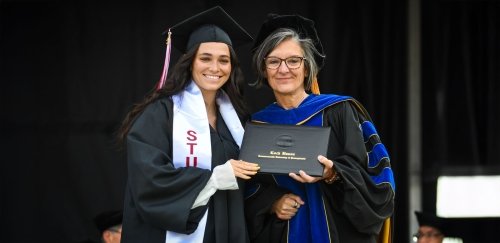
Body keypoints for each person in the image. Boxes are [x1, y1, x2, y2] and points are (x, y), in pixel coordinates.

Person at [244, 13, 396, 243]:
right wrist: (273, 202)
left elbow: (374, 176)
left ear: (307, 68)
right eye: (274, 61)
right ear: (264, 69)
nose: (283, 69)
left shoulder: (339, 111)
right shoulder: (256, 125)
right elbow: (247, 188)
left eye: (294, 60)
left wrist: (334, 173)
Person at [117, 6, 259, 243]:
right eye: (205, 58)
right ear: (190, 62)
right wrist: (214, 178)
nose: (215, 68)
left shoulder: (237, 119)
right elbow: (148, 181)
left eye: (224, 60)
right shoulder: (161, 113)